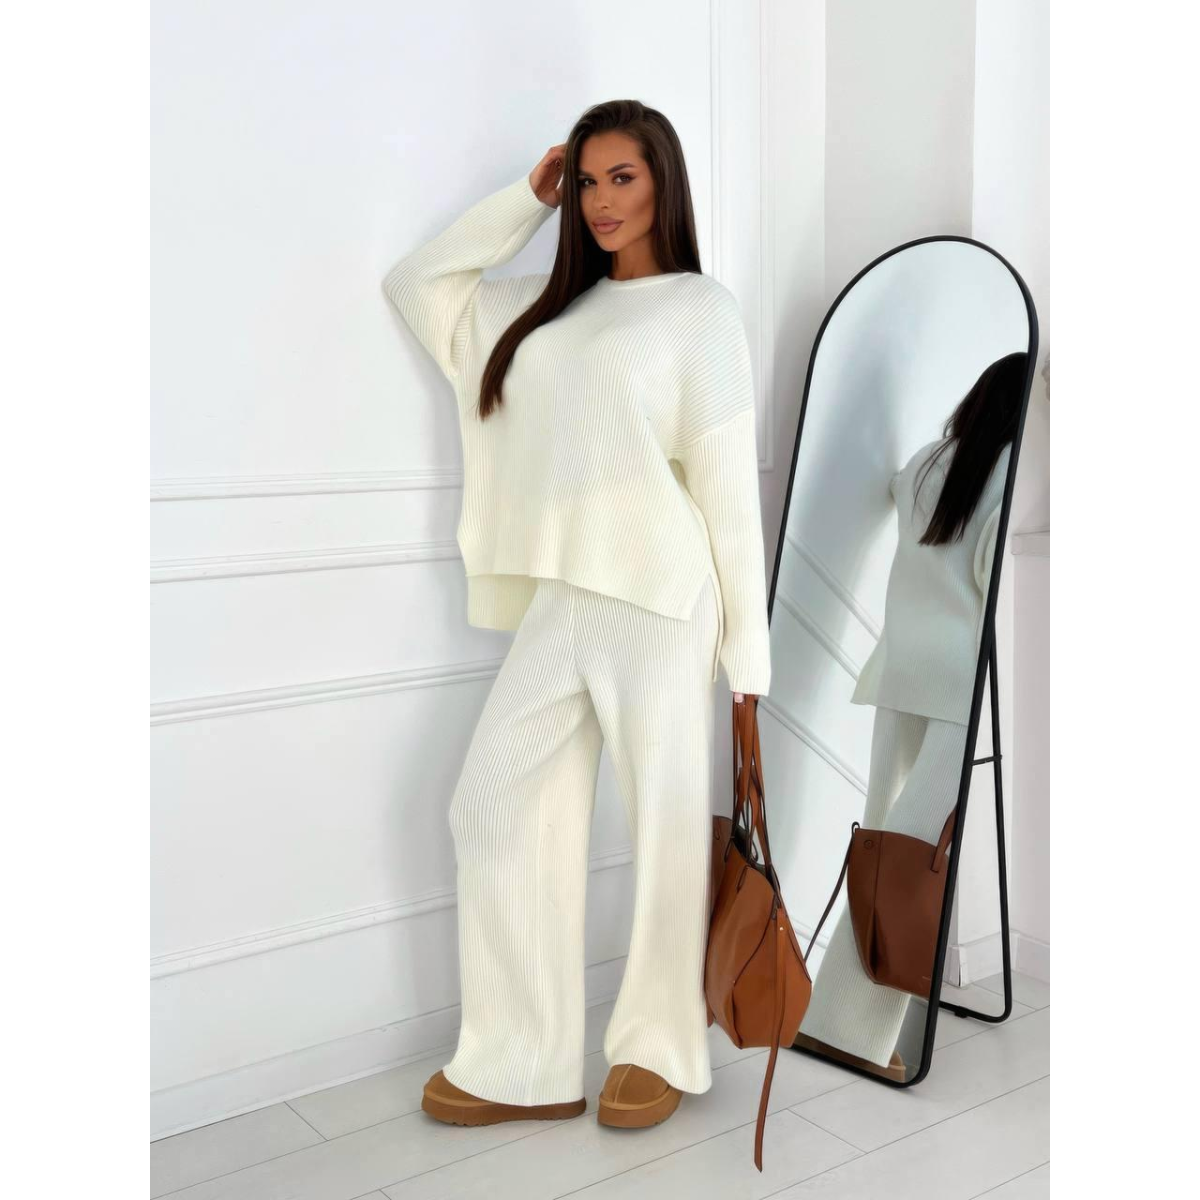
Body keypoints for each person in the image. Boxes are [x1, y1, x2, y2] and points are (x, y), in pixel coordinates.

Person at [380, 100, 773, 1128]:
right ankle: (521, 1058)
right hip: (565, 597)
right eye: (588, 181)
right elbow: (418, 285)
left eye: (622, 178)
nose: (601, 201)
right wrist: (527, 195)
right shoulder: (547, 311)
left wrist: (749, 662)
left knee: (666, 828)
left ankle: (659, 1046)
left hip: (664, 596)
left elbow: (728, 491)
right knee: (490, 804)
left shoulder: (701, 310)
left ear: (663, 182)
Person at [795, 352, 1026, 1075]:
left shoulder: (928, 460)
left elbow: (898, 490)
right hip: (956, 685)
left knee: (885, 847)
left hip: (900, 671)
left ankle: (838, 1022)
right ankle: (851, 1034)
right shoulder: (1008, 471)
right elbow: (992, 581)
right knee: (906, 862)